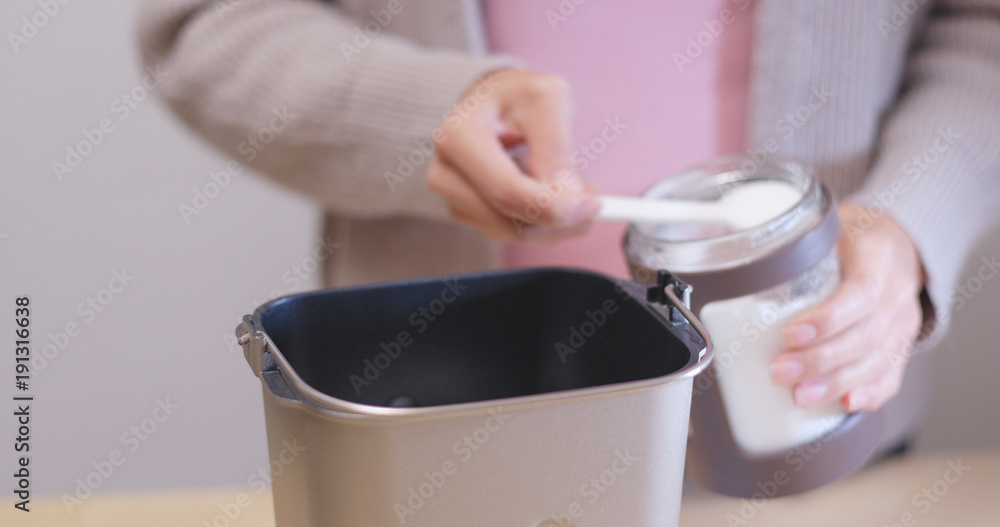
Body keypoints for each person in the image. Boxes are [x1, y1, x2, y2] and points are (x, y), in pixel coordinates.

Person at [139, 0, 1000, 452]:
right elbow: (206, 21)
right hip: (438, 427)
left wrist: (911, 218)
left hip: (820, 423)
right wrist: (419, 116)